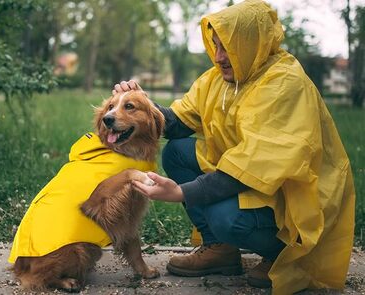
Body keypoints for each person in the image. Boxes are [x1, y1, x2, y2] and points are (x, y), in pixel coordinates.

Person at [113, 0, 356, 293]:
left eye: (227, 46)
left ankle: (283, 254)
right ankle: (220, 251)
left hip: (293, 198)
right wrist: (140, 103)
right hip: (250, 178)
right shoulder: (219, 78)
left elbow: (248, 169)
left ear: (252, 43)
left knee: (224, 217)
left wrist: (180, 192)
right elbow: (177, 122)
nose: (218, 57)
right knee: (177, 150)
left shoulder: (284, 84)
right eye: (215, 45)